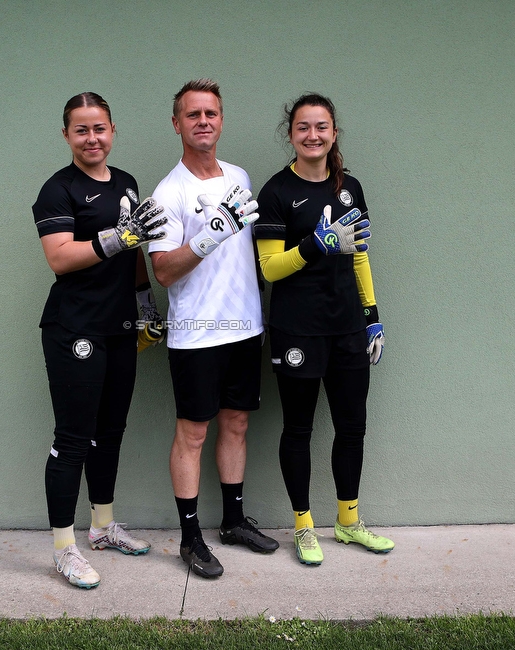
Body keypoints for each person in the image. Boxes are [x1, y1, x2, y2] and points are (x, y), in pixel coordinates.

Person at [32, 92, 168, 589]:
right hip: (74, 328)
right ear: (67, 135)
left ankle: (104, 526)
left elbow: (135, 254)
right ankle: (64, 548)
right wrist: (117, 237)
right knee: (72, 437)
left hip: (119, 326)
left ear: (113, 130)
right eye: (82, 130)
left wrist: (145, 305)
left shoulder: (128, 183)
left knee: (110, 430)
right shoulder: (57, 190)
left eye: (100, 128)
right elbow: (60, 257)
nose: (93, 138)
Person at [253, 93, 394, 566]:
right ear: (290, 134)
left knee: (352, 425)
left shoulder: (349, 187)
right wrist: (315, 245)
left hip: (348, 328)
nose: (312, 135)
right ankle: (304, 526)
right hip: (298, 330)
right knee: (298, 428)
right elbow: (270, 269)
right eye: (302, 127)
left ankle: (348, 522)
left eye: (321, 127)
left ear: (333, 133)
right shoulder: (276, 191)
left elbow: (359, 255)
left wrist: (371, 315)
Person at [148, 79, 280, 579]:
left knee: (238, 424)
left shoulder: (240, 176)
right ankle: (189, 537)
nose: (203, 121)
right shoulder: (169, 192)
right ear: (177, 123)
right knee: (193, 433)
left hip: (245, 327)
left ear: (221, 120)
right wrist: (207, 238)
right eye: (193, 114)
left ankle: (232, 521)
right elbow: (162, 270)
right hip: (198, 335)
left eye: (212, 113)